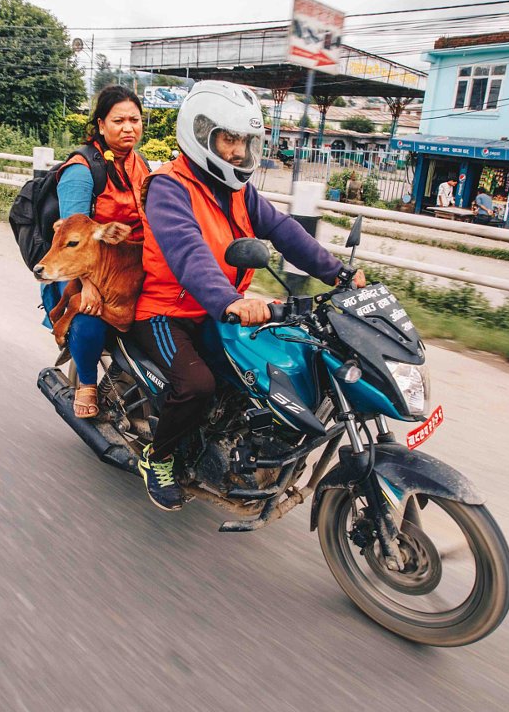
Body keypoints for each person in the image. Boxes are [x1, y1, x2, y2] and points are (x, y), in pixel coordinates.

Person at [130, 80, 364, 511]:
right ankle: (156, 456)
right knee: (197, 385)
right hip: (168, 312)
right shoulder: (169, 187)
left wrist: (339, 274)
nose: (238, 151)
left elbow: (284, 232)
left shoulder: (238, 191)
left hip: (219, 311)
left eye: (245, 141)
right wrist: (230, 300)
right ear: (201, 134)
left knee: (262, 374)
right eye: (229, 138)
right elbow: (187, 251)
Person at [44, 85, 149, 418]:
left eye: (135, 119)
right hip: (80, 270)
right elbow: (71, 236)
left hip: (128, 266)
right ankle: (87, 383)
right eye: (119, 120)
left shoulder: (141, 166)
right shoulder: (82, 169)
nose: (128, 127)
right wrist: (88, 284)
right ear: (101, 125)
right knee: (89, 315)